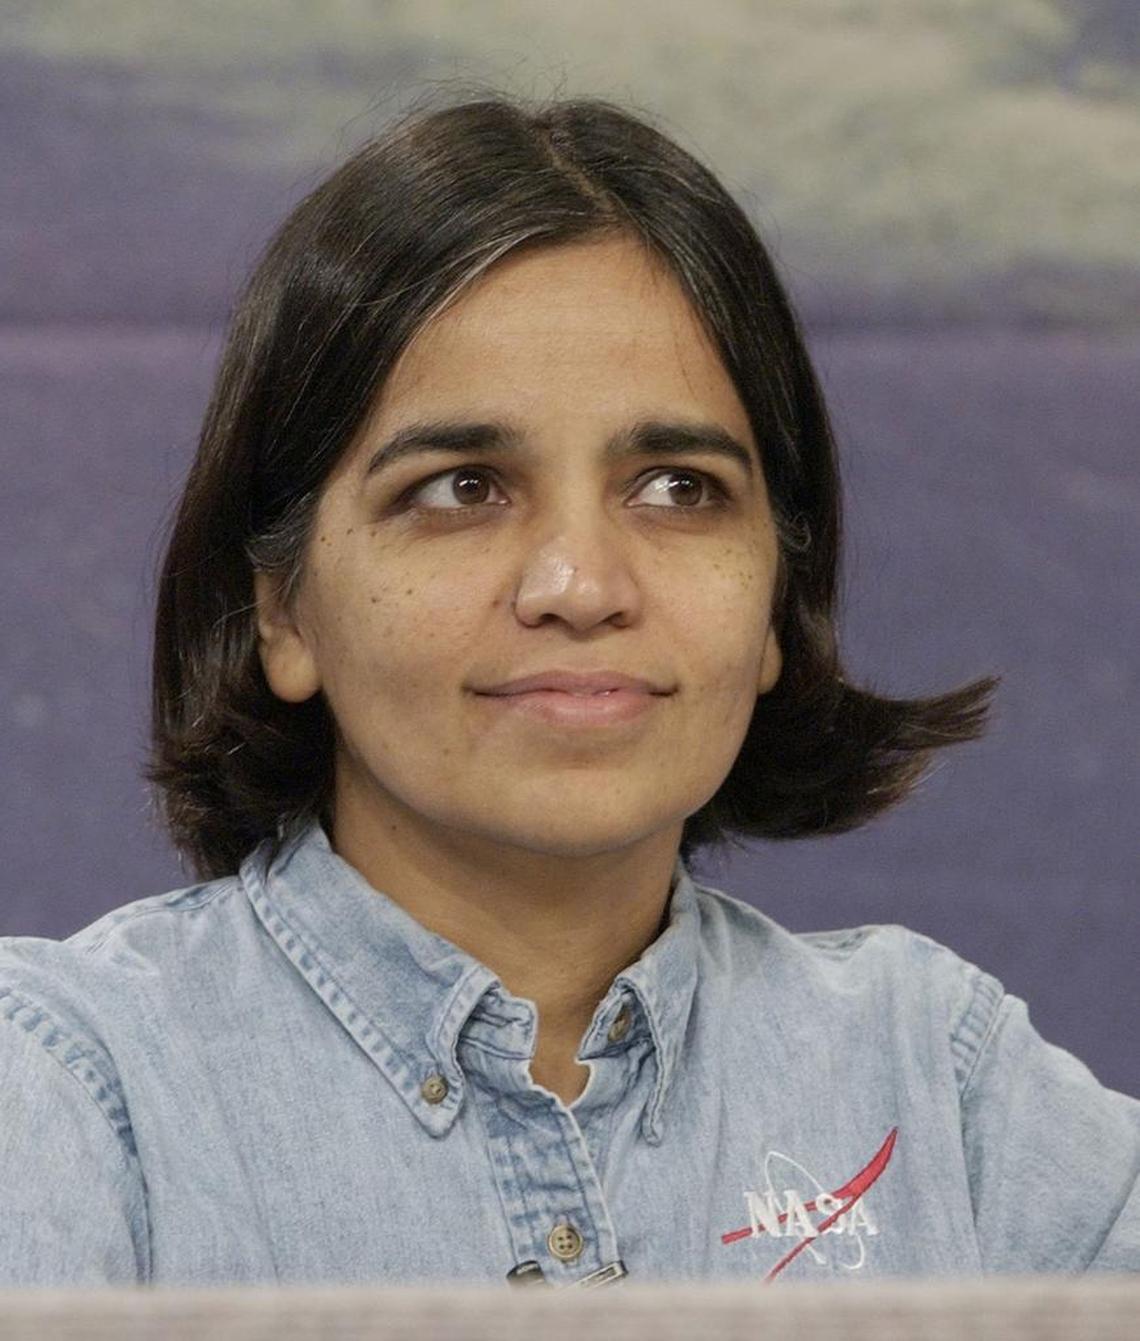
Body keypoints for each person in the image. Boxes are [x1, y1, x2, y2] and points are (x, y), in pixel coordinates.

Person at [1, 94, 1136, 1289]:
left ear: (776, 604)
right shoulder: (70, 1084)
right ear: (283, 609)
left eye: (679, 488)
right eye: (460, 488)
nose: (581, 585)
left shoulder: (937, 1081)